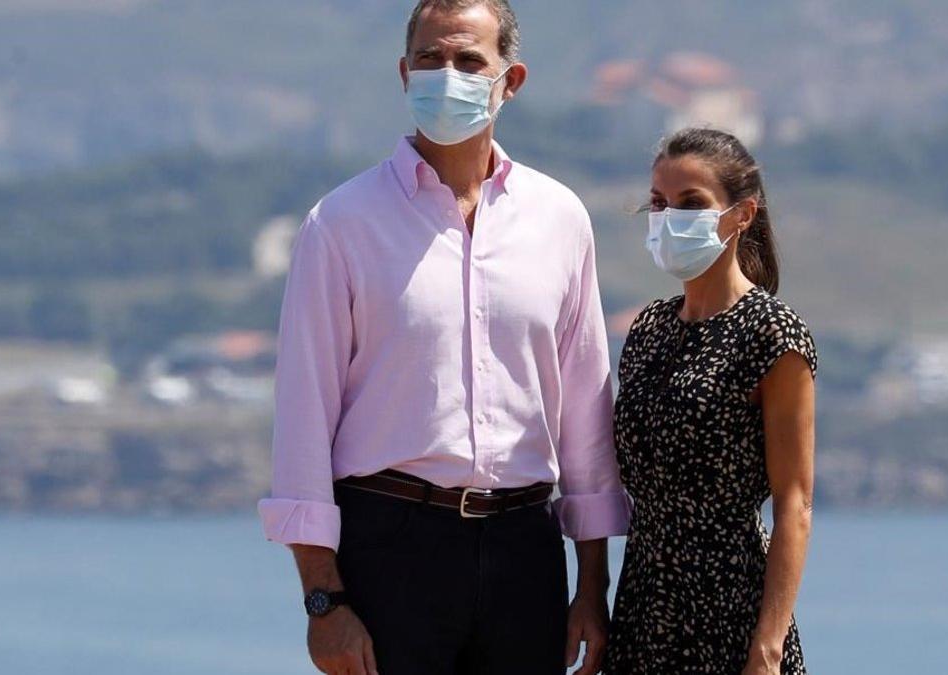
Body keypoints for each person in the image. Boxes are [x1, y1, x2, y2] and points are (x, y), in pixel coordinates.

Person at [257, 1, 631, 673]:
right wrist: (323, 600)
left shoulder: (562, 220)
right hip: (389, 547)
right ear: (404, 73)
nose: (446, 74)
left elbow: (585, 411)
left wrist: (592, 585)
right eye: (430, 59)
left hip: (527, 547)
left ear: (510, 80)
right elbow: (304, 415)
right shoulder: (340, 224)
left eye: (468, 60)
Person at [603, 127, 817, 675]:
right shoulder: (649, 330)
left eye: (691, 203)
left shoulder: (771, 333)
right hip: (643, 609)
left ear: (742, 214)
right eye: (659, 203)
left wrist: (767, 648)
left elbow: (795, 503)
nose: (670, 216)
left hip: (730, 609)